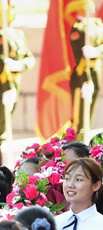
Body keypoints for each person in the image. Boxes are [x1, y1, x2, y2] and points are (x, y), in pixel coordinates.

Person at [0, 4, 35, 165]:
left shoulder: (18, 35)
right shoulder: (0, 35)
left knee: (3, 130)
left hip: (15, 83)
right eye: (10, 8)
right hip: (1, 86)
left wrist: (18, 65)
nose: (13, 11)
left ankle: (0, 168)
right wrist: (7, 87)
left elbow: (30, 59)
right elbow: (0, 62)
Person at [69, 0, 103, 142]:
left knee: (89, 112)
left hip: (95, 70)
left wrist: (96, 51)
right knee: (80, 115)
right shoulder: (77, 28)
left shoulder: (97, 25)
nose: (92, 6)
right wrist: (86, 80)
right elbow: (78, 57)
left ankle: (85, 142)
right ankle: (77, 143)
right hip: (82, 75)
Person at [55, 157, 103, 230]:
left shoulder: (100, 225)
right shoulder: (54, 223)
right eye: (67, 178)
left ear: (96, 185)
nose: (70, 185)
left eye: (78, 179)